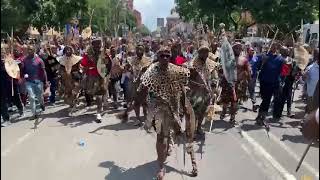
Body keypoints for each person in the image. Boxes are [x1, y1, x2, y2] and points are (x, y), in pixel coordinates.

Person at [136, 46, 198, 179]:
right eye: (162, 56)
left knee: (183, 134)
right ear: (158, 57)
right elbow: (143, 90)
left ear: (170, 57)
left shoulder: (176, 70)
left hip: (175, 109)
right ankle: (161, 166)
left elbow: (184, 86)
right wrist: (136, 105)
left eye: (167, 56)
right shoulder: (151, 71)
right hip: (158, 109)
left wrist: (186, 107)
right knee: (161, 137)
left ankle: (191, 161)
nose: (165, 58)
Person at [187, 41, 219, 135]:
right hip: (194, 92)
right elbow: (187, 76)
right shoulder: (192, 63)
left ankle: (199, 127)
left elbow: (215, 76)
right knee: (193, 112)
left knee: (202, 111)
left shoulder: (211, 63)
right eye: (202, 52)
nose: (204, 54)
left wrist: (214, 84)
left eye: (206, 52)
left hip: (206, 92)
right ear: (199, 52)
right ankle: (190, 128)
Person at [120, 44, 151, 126]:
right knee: (136, 102)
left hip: (145, 83)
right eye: (137, 50)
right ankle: (138, 118)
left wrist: (146, 69)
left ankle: (145, 117)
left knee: (145, 102)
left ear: (143, 51)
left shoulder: (148, 60)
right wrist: (127, 68)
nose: (139, 52)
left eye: (141, 50)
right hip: (135, 83)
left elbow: (151, 70)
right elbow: (126, 68)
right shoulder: (132, 60)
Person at [255, 43, 284, 125]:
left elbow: (283, 72)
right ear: (270, 47)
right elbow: (257, 67)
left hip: (274, 82)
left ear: (277, 48)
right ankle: (260, 115)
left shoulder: (280, 59)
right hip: (264, 81)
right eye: (272, 46)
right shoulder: (264, 56)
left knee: (267, 100)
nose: (273, 48)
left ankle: (262, 117)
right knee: (265, 99)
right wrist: (262, 62)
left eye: (275, 47)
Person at [81, 38, 109, 122]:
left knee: (99, 95)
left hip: (101, 77)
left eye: (100, 44)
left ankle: (98, 112)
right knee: (92, 94)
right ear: (92, 45)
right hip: (92, 77)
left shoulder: (104, 53)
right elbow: (83, 65)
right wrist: (87, 67)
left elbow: (107, 64)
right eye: (97, 44)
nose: (99, 45)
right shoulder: (87, 55)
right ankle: (98, 106)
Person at [272, 46, 300, 120]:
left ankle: (286, 111)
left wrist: (296, 70)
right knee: (278, 98)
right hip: (279, 80)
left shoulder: (291, 60)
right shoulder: (277, 58)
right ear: (281, 51)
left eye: (288, 50)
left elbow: (293, 71)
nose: (287, 51)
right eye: (285, 50)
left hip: (288, 81)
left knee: (287, 97)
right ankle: (276, 114)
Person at [21, 45, 49, 119]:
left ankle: (42, 104)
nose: (29, 51)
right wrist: (23, 76)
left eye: (31, 49)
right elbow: (22, 71)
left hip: (38, 82)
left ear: (34, 50)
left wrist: (46, 81)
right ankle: (34, 114)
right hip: (28, 82)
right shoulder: (24, 60)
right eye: (28, 50)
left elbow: (44, 71)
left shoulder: (39, 60)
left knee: (39, 97)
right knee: (31, 97)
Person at [57, 45, 83, 114]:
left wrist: (79, 71)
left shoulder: (77, 59)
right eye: (67, 50)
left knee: (75, 91)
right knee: (67, 93)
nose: (68, 51)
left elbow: (80, 67)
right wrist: (61, 74)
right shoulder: (61, 59)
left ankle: (74, 103)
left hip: (75, 78)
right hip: (66, 79)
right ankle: (71, 104)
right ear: (64, 51)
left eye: (70, 49)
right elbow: (60, 69)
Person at [303, 48, 319, 115]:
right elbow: (304, 81)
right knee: (311, 113)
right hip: (311, 95)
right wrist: (304, 76)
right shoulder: (310, 68)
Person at [247, 47, 259, 111]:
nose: (253, 51)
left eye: (253, 50)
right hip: (245, 77)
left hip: (253, 77)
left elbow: (259, 66)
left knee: (252, 90)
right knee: (242, 90)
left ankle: (254, 104)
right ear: (248, 51)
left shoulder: (256, 58)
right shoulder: (245, 58)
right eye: (251, 50)